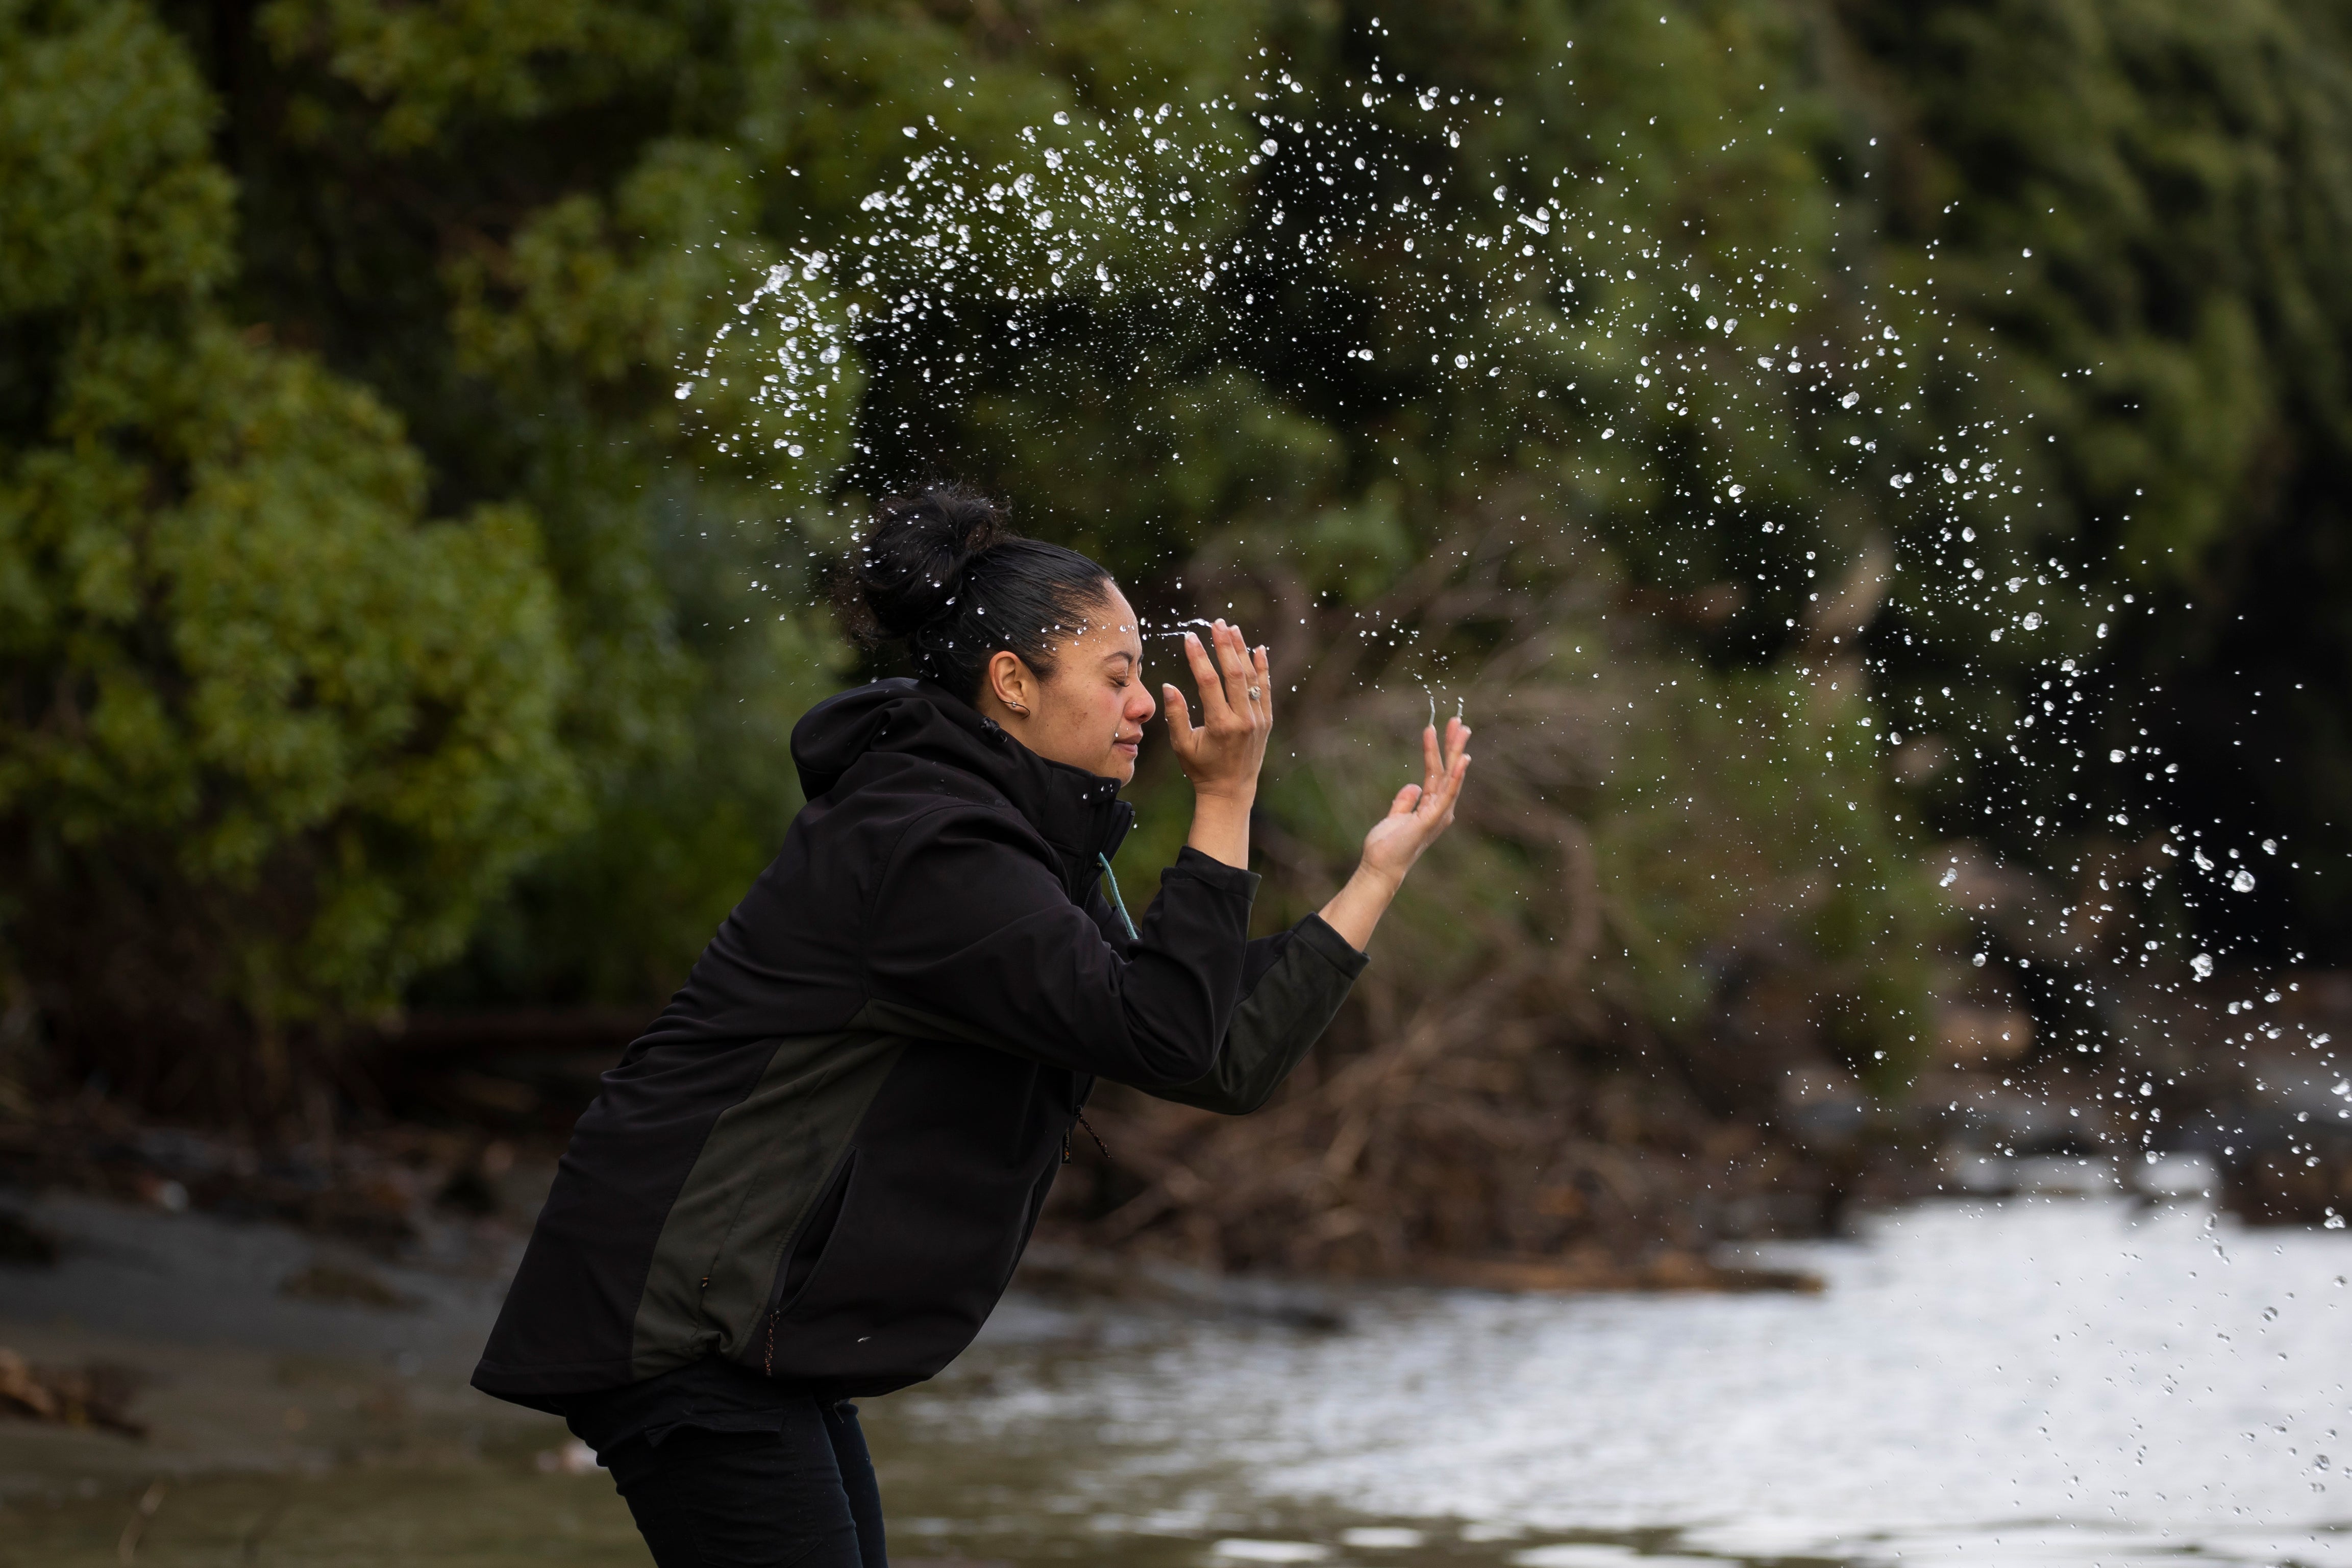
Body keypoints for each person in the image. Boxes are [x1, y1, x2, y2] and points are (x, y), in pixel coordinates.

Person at [471, 485, 1472, 1567]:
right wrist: (1222, 802)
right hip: (676, 1316)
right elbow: (1168, 1034)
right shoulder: (933, 845)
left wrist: (1373, 876)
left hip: (747, 1335)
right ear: (1012, 683)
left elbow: (1213, 1055)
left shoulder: (1013, 847)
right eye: (1118, 674)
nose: (1145, 703)